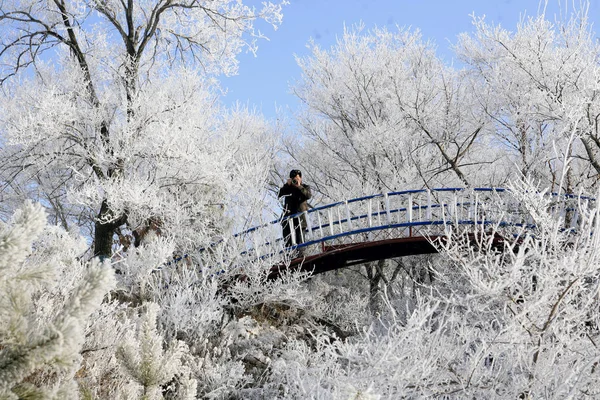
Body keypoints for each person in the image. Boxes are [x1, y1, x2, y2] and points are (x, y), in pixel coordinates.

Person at [278, 169, 312, 248]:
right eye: (294, 179)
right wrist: (286, 185)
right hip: (288, 218)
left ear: (300, 178)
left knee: (300, 241)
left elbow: (308, 195)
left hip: (300, 218)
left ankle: (301, 255)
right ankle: (289, 257)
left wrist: (299, 186)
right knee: (288, 241)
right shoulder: (287, 189)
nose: (296, 180)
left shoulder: (305, 187)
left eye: (297, 178)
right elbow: (278, 195)